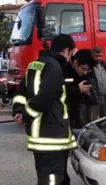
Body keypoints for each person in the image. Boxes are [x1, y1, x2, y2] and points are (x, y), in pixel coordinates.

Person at [12, 34, 76, 185]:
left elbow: (21, 93)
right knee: (51, 180)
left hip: (42, 136)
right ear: (66, 51)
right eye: (71, 54)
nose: (70, 59)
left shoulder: (35, 64)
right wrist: (27, 115)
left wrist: (19, 110)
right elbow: (44, 99)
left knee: (55, 178)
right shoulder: (54, 67)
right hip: (51, 137)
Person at [63, 49, 95, 137]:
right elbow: (57, 92)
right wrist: (78, 89)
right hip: (64, 117)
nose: (85, 72)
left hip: (78, 116)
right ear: (76, 63)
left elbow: (89, 86)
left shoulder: (84, 73)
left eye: (87, 70)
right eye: (84, 69)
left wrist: (89, 92)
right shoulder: (63, 70)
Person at [86, 47, 106, 122]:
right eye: (96, 56)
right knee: (92, 122)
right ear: (92, 56)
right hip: (94, 99)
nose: (98, 58)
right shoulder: (88, 68)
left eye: (100, 56)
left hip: (105, 98)